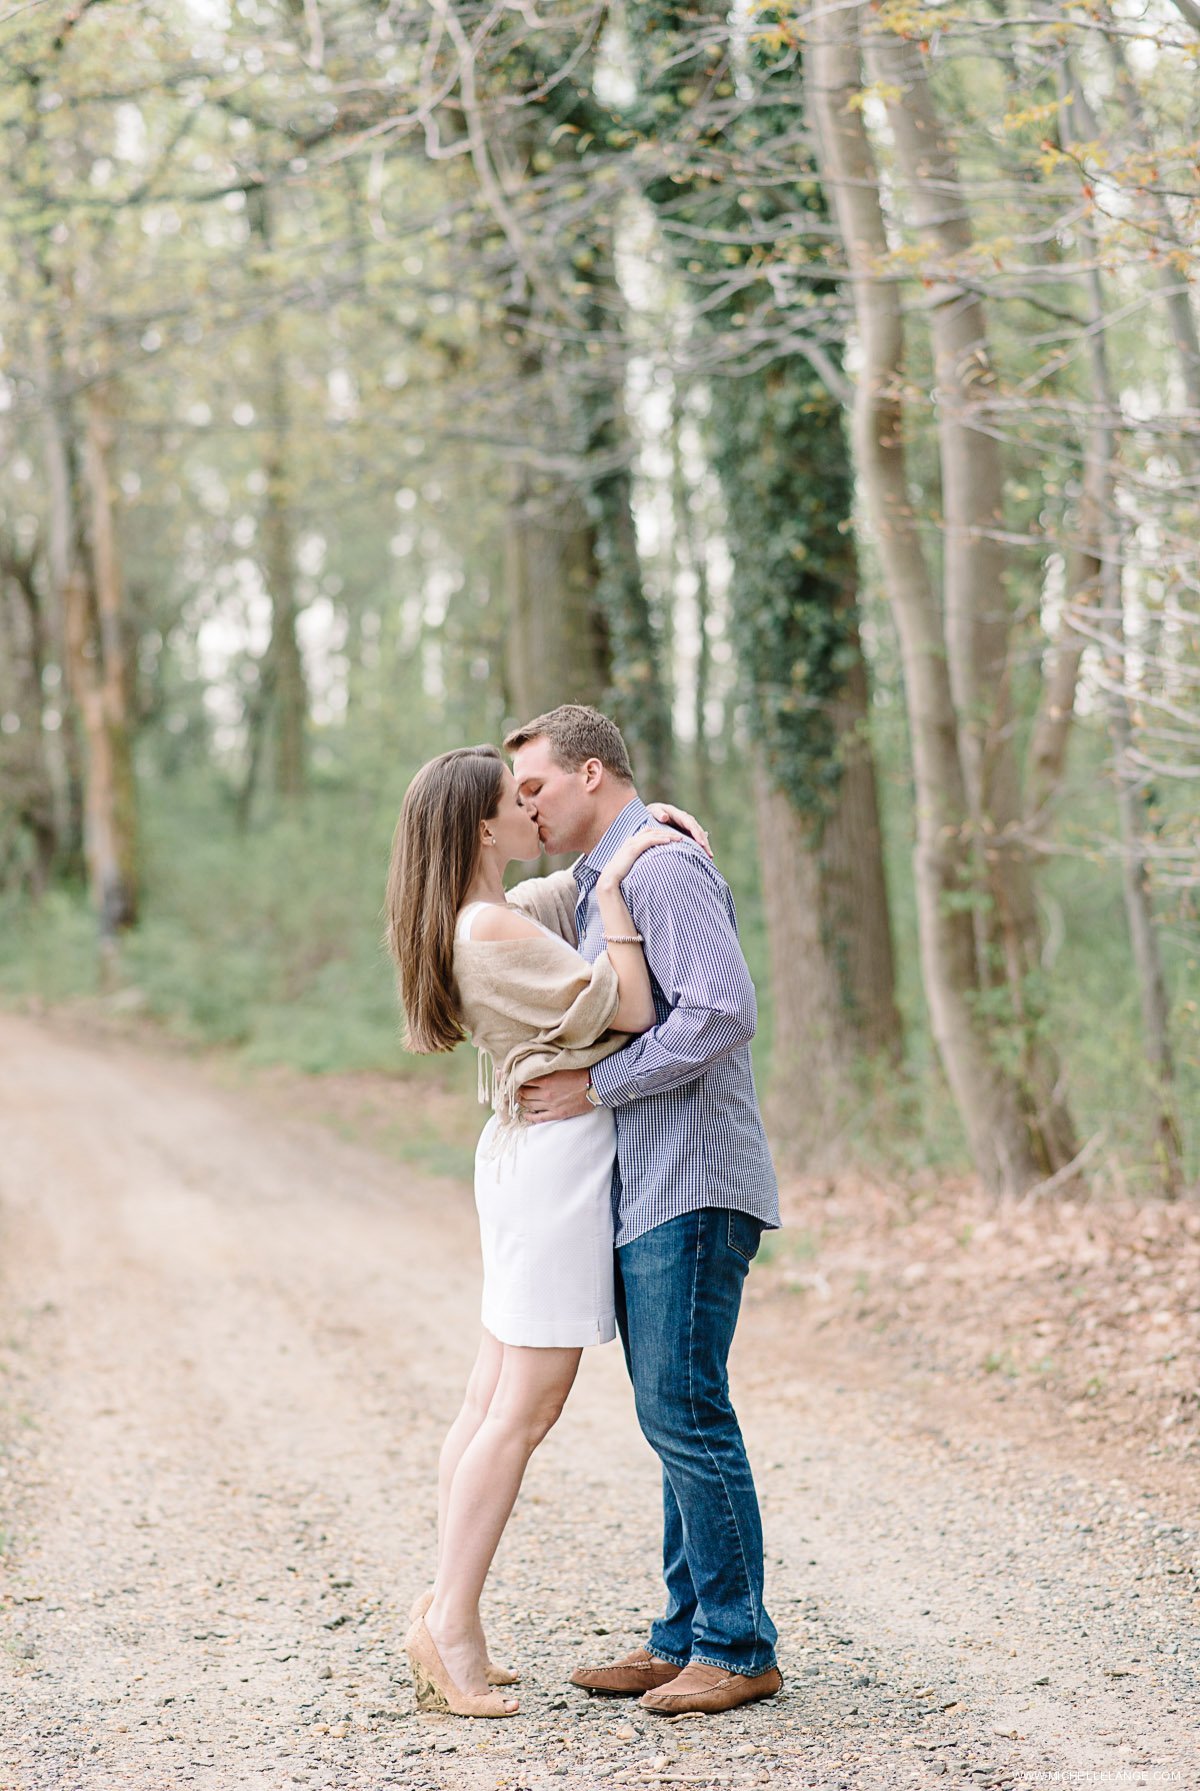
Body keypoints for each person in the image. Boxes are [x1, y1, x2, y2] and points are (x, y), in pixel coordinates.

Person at [385, 744, 702, 1719]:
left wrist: (639, 841)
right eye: (514, 799)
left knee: (490, 1397)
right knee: (525, 1407)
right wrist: (619, 902)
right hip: (555, 1169)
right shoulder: (495, 929)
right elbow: (637, 1005)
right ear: (485, 827)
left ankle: (447, 1610)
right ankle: (453, 1628)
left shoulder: (485, 914)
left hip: (528, 1161)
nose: (531, 806)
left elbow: (559, 883)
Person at [505, 705, 783, 1717]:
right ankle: (684, 1635)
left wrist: (598, 1088)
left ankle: (739, 1645)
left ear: (591, 772)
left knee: (685, 1412)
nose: (526, 808)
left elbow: (722, 1010)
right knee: (674, 1415)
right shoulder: (601, 878)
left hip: (694, 1180)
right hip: (653, 1184)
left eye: (535, 788)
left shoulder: (659, 866)